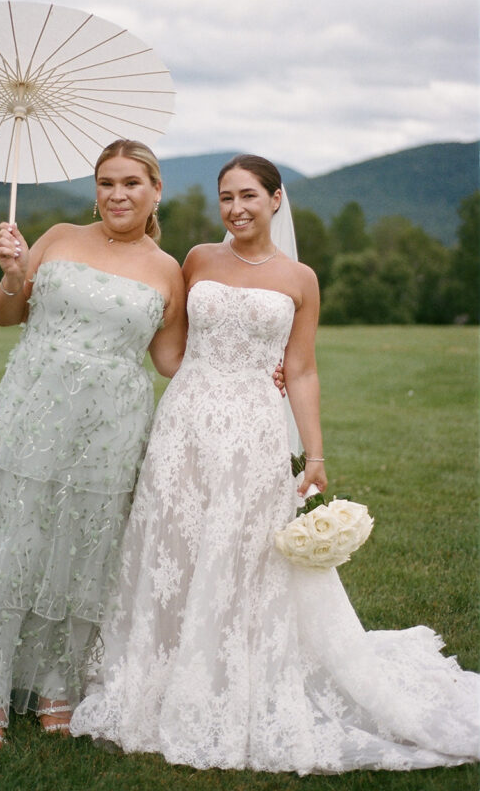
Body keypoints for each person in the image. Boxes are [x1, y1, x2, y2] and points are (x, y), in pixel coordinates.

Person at [70, 154, 480, 774]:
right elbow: (170, 350)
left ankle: (232, 673)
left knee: (245, 552)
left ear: (276, 199)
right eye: (225, 197)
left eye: (248, 196)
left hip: (257, 429)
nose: (236, 208)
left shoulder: (300, 279)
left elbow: (303, 369)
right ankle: (158, 670)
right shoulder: (196, 261)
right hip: (184, 423)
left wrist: (313, 454)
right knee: (173, 545)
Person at [0, 139, 188, 748]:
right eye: (107, 182)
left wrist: (245, 366)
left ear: (155, 190)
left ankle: (57, 684)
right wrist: (13, 276)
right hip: (35, 412)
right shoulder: (57, 237)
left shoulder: (168, 270)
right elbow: (7, 315)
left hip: (112, 425)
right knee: (17, 537)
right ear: (95, 190)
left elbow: (171, 362)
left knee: (85, 547)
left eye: (131, 183)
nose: (117, 193)